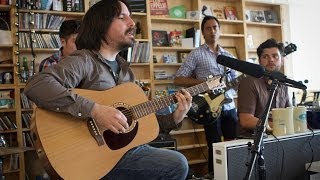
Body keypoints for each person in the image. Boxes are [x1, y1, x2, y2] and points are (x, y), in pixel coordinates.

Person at [24, 0, 193, 179]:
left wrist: (175, 117)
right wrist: (95, 110)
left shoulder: (127, 73)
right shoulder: (83, 61)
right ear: (102, 25)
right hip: (89, 156)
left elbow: (144, 126)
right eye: (122, 17)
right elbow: (36, 85)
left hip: (122, 151)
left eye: (131, 17)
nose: (131, 23)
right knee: (176, 164)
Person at [173, 15, 239, 174]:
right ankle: (215, 175)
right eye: (208, 28)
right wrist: (205, 85)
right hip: (209, 107)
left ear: (220, 30)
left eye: (215, 27)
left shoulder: (229, 57)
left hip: (229, 107)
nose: (212, 31)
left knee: (233, 145)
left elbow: (236, 84)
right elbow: (178, 79)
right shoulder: (196, 54)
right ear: (203, 32)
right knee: (214, 147)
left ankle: (233, 174)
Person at [237, 38, 291, 137]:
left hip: (277, 137)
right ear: (259, 61)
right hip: (252, 142)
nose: (271, 60)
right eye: (265, 57)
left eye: (275, 56)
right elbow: (246, 120)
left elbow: (289, 113)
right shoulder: (249, 82)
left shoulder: (283, 84)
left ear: (282, 60)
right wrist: (278, 126)